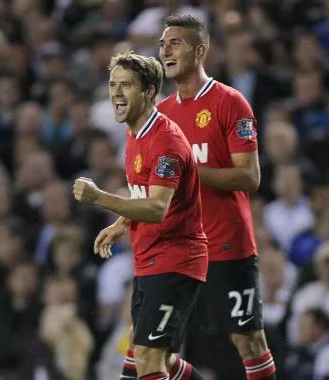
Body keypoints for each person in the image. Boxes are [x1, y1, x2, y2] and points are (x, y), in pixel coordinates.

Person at [73, 51, 208, 380]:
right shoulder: (135, 133)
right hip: (149, 258)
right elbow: (147, 195)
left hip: (176, 259)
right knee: (150, 359)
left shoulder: (165, 143)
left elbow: (157, 208)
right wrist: (122, 223)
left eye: (127, 85)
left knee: (147, 358)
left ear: (149, 91)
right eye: (112, 84)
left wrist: (100, 198)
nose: (116, 93)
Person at [156, 15, 276, 380]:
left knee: (248, 340)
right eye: (162, 44)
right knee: (154, 349)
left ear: (201, 50)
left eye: (175, 43)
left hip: (227, 245)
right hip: (179, 249)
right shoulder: (160, 116)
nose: (165, 51)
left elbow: (250, 176)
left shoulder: (230, 102)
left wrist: (191, 170)